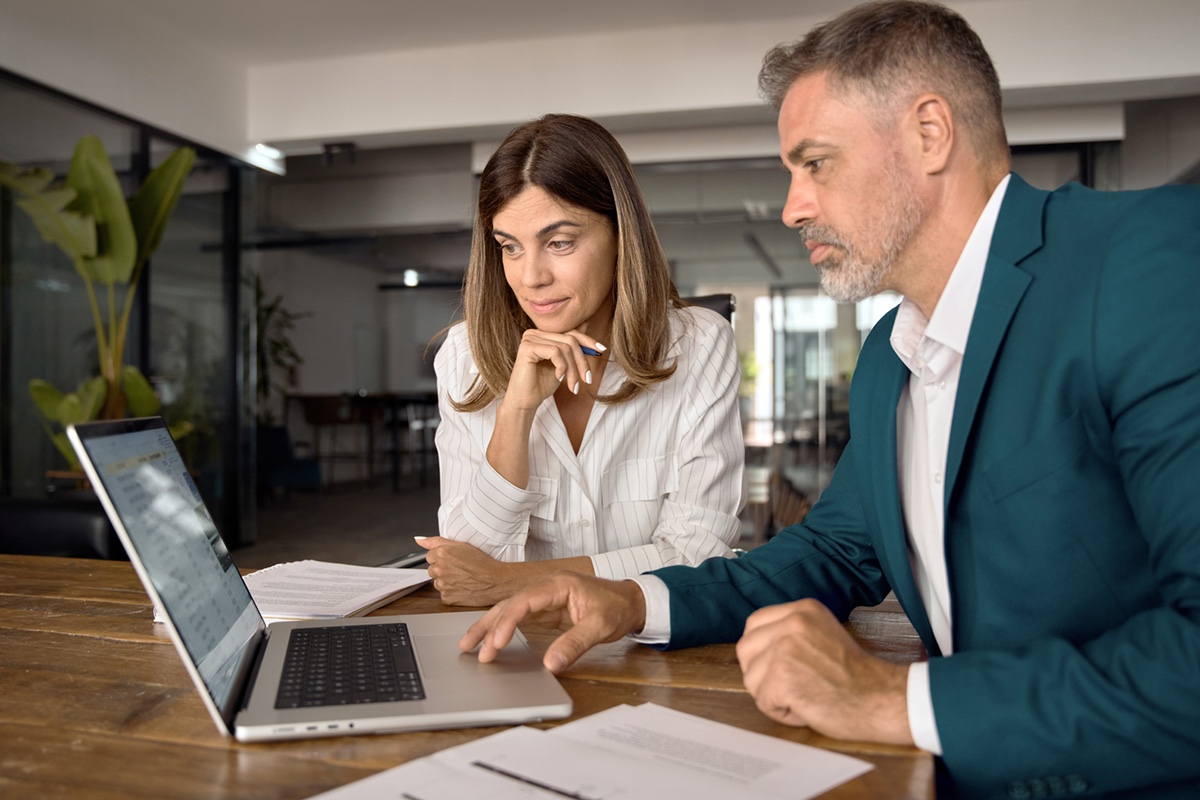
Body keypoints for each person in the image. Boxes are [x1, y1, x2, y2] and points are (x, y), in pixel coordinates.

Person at [460, 3, 1200, 798]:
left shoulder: (1143, 259)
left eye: (815, 163)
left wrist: (894, 699)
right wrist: (629, 601)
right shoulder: (891, 356)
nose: (793, 206)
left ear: (929, 133)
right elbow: (833, 553)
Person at [419, 114, 745, 607]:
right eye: (509, 246)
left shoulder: (700, 345)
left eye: (559, 242)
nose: (531, 277)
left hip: (655, 647)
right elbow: (467, 565)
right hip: (516, 646)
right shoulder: (465, 356)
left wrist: (514, 583)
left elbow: (698, 554)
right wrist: (516, 412)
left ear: (620, 234)